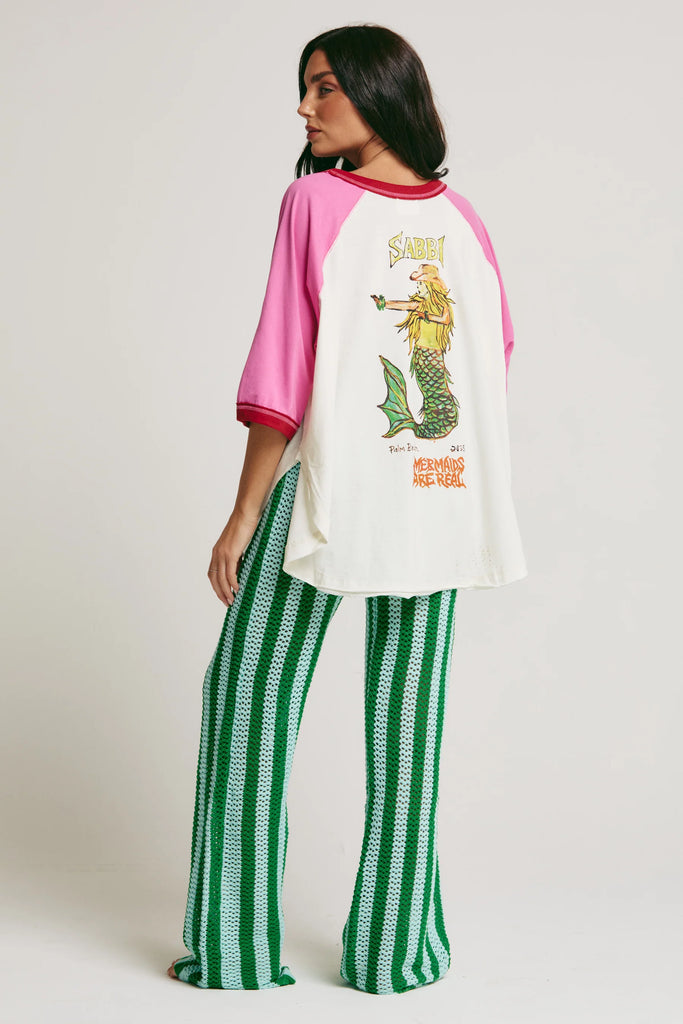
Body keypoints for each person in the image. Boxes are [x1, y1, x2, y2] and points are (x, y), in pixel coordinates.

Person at [167, 23, 527, 996]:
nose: (303, 106)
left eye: (323, 86)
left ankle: (234, 950)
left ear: (379, 89)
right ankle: (394, 954)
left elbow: (282, 372)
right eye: (304, 88)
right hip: (443, 495)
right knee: (409, 724)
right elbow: (489, 364)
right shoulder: (467, 224)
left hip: (330, 488)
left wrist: (244, 514)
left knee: (248, 699)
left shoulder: (313, 204)